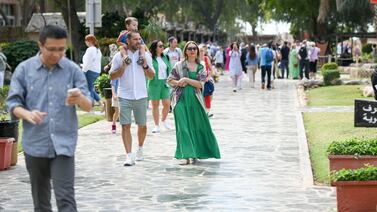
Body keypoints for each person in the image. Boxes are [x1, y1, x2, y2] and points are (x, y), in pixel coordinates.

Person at [6, 25, 92, 211]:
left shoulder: (72, 70)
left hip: (64, 145)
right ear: (41, 45)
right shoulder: (24, 70)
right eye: (51, 49)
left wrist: (80, 99)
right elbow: (12, 104)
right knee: (41, 204)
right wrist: (27, 114)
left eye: (61, 49)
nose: (57, 54)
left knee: (66, 200)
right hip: (35, 145)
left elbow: (89, 105)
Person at [167, 41, 220, 165]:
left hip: (195, 100)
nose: (192, 50)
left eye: (194, 49)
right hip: (180, 99)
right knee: (183, 128)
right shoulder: (179, 65)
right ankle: (185, 155)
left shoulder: (201, 66)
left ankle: (195, 152)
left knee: (195, 127)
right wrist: (178, 82)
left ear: (197, 51)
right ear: (185, 51)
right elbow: (170, 80)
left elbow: (200, 84)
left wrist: (186, 79)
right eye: (189, 48)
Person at [109, 31, 155, 166]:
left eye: (139, 39)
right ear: (128, 41)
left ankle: (140, 148)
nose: (138, 41)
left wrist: (145, 65)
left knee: (142, 126)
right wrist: (122, 67)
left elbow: (152, 76)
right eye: (135, 39)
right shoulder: (119, 56)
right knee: (125, 126)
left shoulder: (145, 55)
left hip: (141, 95)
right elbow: (111, 76)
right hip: (124, 95)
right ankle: (129, 156)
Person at [148, 40, 172, 133]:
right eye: (160, 46)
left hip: (165, 83)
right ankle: (156, 125)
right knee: (155, 105)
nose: (162, 47)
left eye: (163, 45)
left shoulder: (165, 57)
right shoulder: (150, 58)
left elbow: (169, 68)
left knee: (167, 104)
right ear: (155, 48)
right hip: (154, 83)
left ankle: (164, 120)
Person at [82, 34, 103, 110]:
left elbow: (88, 62)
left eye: (86, 41)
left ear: (89, 41)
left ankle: (90, 107)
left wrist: (83, 71)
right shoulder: (98, 50)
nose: (85, 42)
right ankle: (101, 102)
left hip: (89, 71)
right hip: (96, 71)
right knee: (91, 88)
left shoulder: (90, 49)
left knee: (89, 89)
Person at [199, 45, 214, 117]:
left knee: (209, 96)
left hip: (207, 80)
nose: (201, 52)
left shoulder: (206, 58)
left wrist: (208, 77)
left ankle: (207, 111)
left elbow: (211, 70)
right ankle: (203, 112)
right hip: (198, 81)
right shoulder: (195, 59)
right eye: (200, 51)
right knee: (200, 97)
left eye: (202, 51)